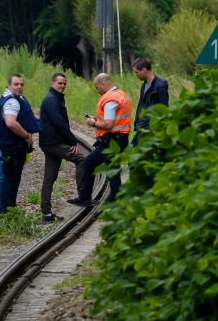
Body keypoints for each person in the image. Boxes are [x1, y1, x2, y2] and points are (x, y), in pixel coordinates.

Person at [69, 73, 132, 206]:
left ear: (103, 84)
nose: (97, 91)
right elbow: (114, 120)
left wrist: (93, 123)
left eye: (97, 88)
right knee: (93, 163)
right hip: (120, 138)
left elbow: (108, 125)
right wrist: (97, 119)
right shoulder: (120, 94)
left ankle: (113, 200)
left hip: (112, 140)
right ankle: (88, 197)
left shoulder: (109, 100)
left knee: (108, 168)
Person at [38, 72, 85, 223]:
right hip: (53, 143)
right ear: (52, 83)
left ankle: (46, 213)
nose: (62, 86)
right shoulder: (51, 100)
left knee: (49, 178)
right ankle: (83, 196)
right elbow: (59, 123)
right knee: (81, 159)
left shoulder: (54, 98)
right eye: (60, 83)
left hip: (50, 143)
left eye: (64, 83)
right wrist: (72, 141)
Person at [0, 74, 40, 213]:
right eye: (16, 84)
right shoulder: (12, 102)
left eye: (21, 84)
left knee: (12, 178)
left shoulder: (14, 99)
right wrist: (26, 135)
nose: (19, 87)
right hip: (13, 146)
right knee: (11, 179)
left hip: (12, 146)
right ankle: (8, 212)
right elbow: (10, 122)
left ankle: (7, 210)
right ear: (8, 86)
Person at [131, 57, 169, 144]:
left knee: (130, 154)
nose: (136, 75)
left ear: (143, 69)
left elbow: (164, 109)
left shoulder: (160, 87)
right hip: (142, 128)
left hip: (151, 130)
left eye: (136, 72)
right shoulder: (144, 86)